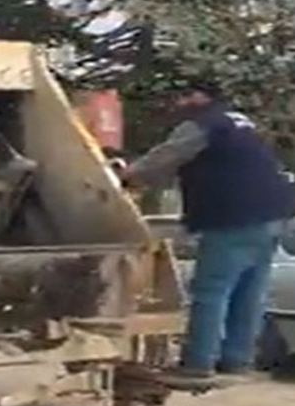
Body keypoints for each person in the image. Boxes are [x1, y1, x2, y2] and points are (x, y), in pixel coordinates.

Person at [119, 79, 295, 383]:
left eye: (186, 95)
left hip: (232, 218)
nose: (180, 102)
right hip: (274, 215)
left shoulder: (203, 124)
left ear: (202, 97)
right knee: (250, 291)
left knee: (211, 291)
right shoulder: (240, 122)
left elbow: (166, 157)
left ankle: (198, 362)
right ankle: (235, 360)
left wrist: (126, 177)